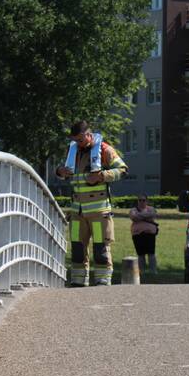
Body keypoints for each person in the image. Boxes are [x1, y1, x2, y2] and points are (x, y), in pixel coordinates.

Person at [55, 120, 128, 286]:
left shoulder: (104, 149)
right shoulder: (73, 150)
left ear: (89, 135)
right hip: (77, 213)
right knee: (77, 248)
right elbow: (62, 170)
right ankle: (78, 281)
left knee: (100, 248)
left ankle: (102, 281)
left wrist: (101, 176)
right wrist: (60, 171)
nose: (77, 143)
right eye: (75, 140)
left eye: (80, 140)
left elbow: (123, 170)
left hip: (98, 212)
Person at [129, 195, 159, 273]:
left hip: (150, 234)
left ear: (147, 201)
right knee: (140, 254)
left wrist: (139, 216)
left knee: (151, 253)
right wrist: (145, 216)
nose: (141, 202)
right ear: (137, 201)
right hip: (137, 234)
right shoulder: (133, 210)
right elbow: (133, 217)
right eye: (140, 200)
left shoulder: (151, 209)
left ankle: (153, 271)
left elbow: (152, 214)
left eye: (143, 200)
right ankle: (141, 271)